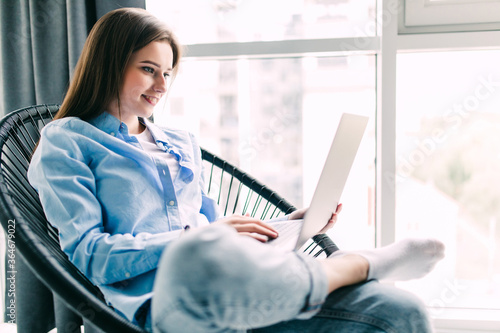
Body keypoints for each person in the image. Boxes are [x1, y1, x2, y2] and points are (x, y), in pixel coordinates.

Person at [27, 7, 445, 333]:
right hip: (164, 307)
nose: (161, 85)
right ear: (109, 63)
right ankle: (350, 267)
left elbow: (217, 231)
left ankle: (316, 273)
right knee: (194, 251)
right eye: (148, 69)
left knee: (397, 311)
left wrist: (288, 226)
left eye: (167, 73)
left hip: (238, 287)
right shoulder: (67, 142)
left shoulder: (181, 142)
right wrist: (199, 238)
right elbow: (93, 257)